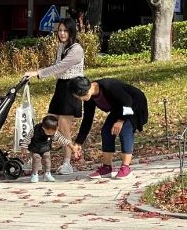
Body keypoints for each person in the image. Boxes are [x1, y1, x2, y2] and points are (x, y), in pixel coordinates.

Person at [23, 18, 84, 175]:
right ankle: (36, 158)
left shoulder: (77, 50)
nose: (62, 33)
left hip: (72, 90)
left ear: (71, 32)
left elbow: (60, 67)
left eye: (65, 30)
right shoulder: (61, 47)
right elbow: (58, 70)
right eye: (60, 31)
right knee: (46, 125)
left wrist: (37, 73)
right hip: (61, 88)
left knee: (64, 128)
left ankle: (67, 163)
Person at [69, 75, 148, 179]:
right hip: (119, 108)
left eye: (79, 97)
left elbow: (127, 101)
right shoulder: (89, 98)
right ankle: (106, 168)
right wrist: (79, 142)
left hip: (134, 105)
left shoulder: (108, 85)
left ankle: (126, 168)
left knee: (125, 130)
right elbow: (87, 120)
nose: (80, 99)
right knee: (106, 131)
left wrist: (120, 121)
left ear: (84, 91)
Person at [21, 115, 72, 183]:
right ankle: (34, 174)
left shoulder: (53, 132)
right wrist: (24, 147)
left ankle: (47, 174)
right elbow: (27, 138)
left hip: (45, 147)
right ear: (44, 128)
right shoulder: (35, 129)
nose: (51, 134)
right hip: (35, 147)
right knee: (36, 158)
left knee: (47, 157)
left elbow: (62, 139)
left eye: (53, 132)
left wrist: (72, 147)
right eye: (49, 132)